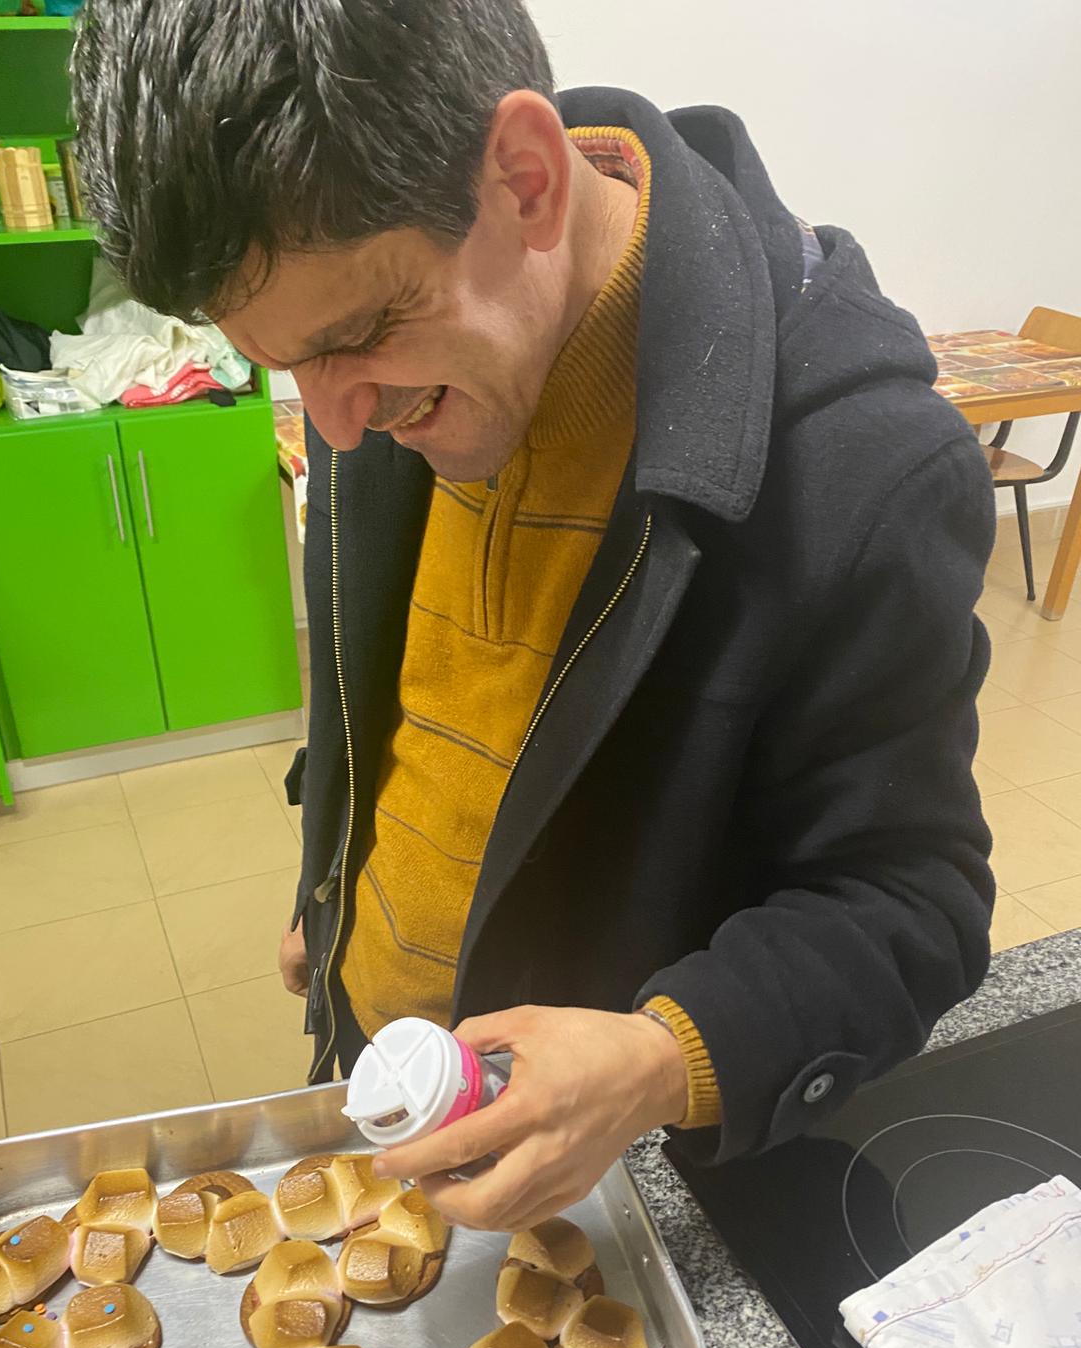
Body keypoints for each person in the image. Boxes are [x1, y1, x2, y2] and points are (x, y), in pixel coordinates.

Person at [71, 0, 995, 1233]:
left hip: (616, 1181)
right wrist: (339, 882)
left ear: (525, 179)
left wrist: (661, 1058)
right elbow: (394, 689)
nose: (334, 425)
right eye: (285, 364)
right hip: (383, 1080)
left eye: (355, 337)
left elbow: (913, 902)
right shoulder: (379, 356)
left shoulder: (863, 468)